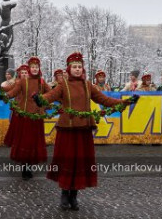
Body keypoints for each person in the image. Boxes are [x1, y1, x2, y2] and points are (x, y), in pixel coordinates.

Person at [36, 52, 137, 211]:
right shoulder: (63, 85)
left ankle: (74, 195)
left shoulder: (88, 85)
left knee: (80, 162)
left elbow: (104, 99)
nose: (77, 69)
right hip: (67, 131)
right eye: (74, 67)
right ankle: (64, 193)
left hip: (83, 131)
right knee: (67, 161)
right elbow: (51, 95)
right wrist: (41, 99)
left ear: (83, 68)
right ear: (69, 69)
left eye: (79, 67)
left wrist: (124, 102)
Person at [3, 57, 49, 180]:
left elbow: (50, 95)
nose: (34, 69)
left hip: (37, 117)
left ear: (39, 68)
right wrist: (7, 95)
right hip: (25, 116)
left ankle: (30, 165)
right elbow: (14, 91)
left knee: (34, 142)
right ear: (29, 68)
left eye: (36, 67)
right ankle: (25, 167)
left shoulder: (42, 82)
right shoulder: (23, 81)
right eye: (32, 67)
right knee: (25, 142)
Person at [3, 65, 29, 149]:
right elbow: (11, 90)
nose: (24, 74)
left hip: (29, 108)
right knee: (17, 127)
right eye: (22, 73)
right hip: (18, 107)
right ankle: (17, 142)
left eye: (26, 73)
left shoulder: (33, 82)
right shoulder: (17, 82)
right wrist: (3, 90)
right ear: (19, 74)